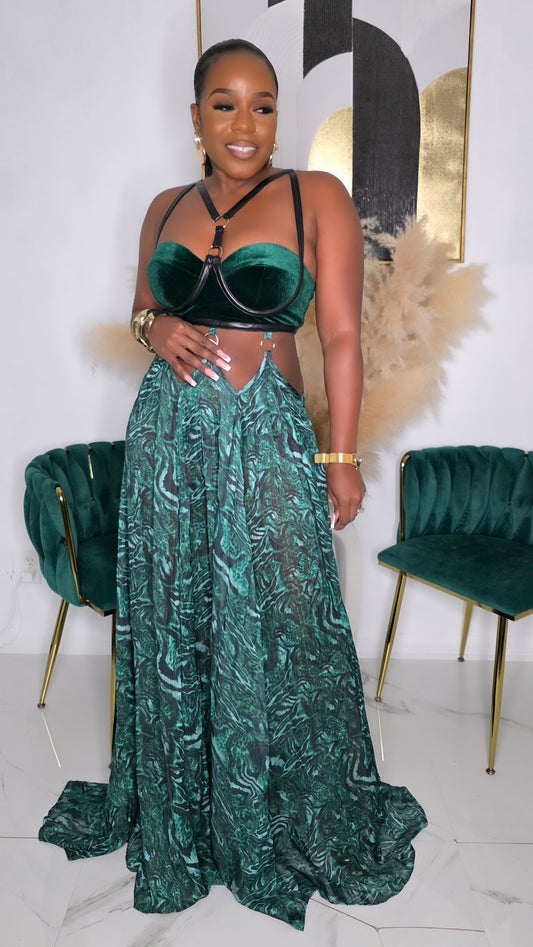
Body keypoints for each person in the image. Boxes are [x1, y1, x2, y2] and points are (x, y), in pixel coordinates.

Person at [39, 38, 426, 931]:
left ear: (277, 117)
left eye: (262, 105)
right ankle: (185, 815)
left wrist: (338, 457)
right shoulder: (163, 206)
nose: (243, 123)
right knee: (174, 618)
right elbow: (141, 307)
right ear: (196, 116)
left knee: (290, 620)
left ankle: (277, 812)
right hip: (167, 440)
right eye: (224, 103)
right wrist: (156, 325)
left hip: (266, 436)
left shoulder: (313, 197)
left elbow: (339, 335)